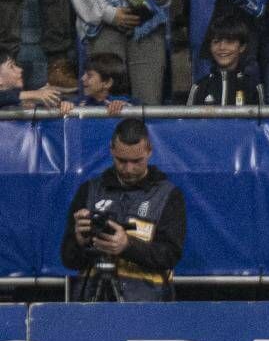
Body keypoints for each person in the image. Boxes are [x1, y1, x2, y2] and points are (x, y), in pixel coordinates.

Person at [61, 117, 186, 302]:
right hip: (93, 303)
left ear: (149, 151)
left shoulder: (169, 195)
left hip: (148, 306)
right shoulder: (90, 190)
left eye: (136, 161)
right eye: (121, 160)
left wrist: (127, 246)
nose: (129, 168)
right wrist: (79, 242)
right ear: (111, 150)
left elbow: (170, 255)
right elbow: (68, 259)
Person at [187, 12, 265, 105]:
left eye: (229, 41)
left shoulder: (254, 87)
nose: (222, 47)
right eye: (216, 42)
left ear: (242, 47)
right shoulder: (199, 87)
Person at [58, 51, 133, 115]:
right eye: (84, 74)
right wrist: (65, 106)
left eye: (89, 75)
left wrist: (125, 108)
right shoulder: (78, 103)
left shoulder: (128, 104)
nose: (83, 78)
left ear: (107, 83)